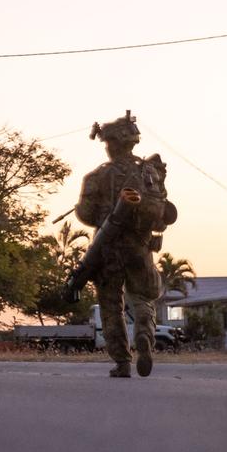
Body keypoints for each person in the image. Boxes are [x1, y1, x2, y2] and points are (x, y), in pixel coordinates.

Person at [72, 112, 175, 378]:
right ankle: (144, 333)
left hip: (107, 250)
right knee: (142, 298)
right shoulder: (150, 172)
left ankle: (122, 362)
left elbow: (85, 213)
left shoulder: (98, 176)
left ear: (111, 145)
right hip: (140, 247)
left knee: (111, 306)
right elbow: (162, 216)